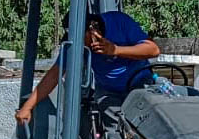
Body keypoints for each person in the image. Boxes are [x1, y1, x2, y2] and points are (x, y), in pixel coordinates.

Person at [14, 10, 160, 125]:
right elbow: (54, 75)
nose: (80, 44)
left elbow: (153, 50)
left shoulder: (120, 22)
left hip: (139, 83)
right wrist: (27, 108)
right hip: (109, 92)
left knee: (145, 123)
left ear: (92, 30)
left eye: (80, 38)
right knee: (116, 127)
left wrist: (116, 50)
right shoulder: (74, 45)